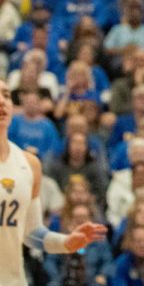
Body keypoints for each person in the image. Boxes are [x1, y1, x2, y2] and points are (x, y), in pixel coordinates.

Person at [0, 82, 107, 286]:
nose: (1, 101)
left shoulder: (29, 164)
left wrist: (66, 242)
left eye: (6, 95)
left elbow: (32, 233)